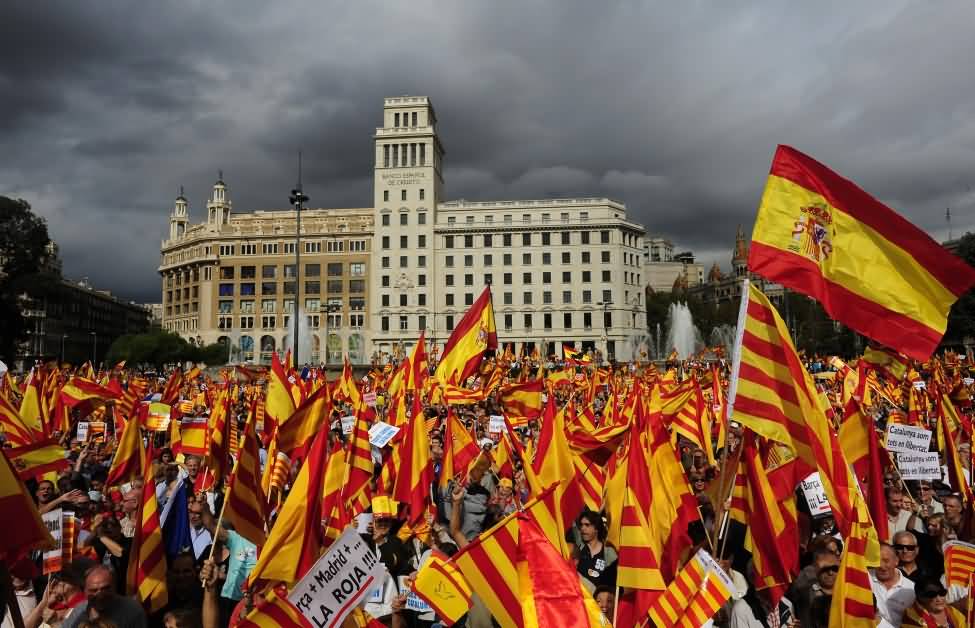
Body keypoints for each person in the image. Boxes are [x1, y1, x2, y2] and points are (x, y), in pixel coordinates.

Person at [63, 565, 147, 628]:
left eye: (105, 589)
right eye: (94, 590)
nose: (100, 595)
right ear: (85, 591)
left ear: (114, 587)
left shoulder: (133, 611)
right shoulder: (79, 611)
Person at [869, 543, 915, 627]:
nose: (882, 566)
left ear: (896, 561)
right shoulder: (865, 578)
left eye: (886, 561)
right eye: (877, 561)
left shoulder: (911, 589)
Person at [900, 575, 966, 627]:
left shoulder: (953, 613)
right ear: (921, 597)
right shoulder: (912, 619)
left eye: (942, 593)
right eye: (932, 595)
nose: (939, 599)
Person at [575, 510, 617, 590]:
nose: (583, 528)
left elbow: (613, 583)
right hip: (579, 598)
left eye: (587, 525)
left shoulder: (609, 553)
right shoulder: (578, 547)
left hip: (597, 601)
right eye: (581, 525)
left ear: (596, 528)